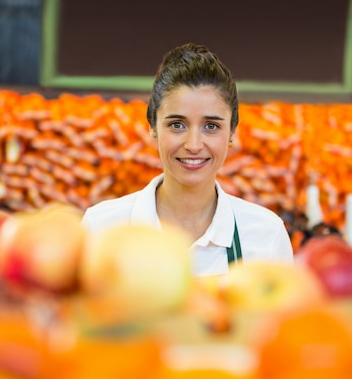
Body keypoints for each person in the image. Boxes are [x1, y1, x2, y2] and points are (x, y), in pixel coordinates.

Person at [81, 42, 294, 277]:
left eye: (211, 126)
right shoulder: (101, 228)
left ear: (232, 132)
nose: (193, 145)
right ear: (153, 127)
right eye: (177, 125)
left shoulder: (265, 235)